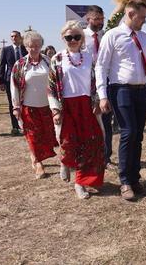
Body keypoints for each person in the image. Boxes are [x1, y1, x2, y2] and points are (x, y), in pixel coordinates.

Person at [96, 0, 146, 201]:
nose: (145, 21)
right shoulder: (112, 36)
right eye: (142, 17)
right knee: (128, 132)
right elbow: (101, 67)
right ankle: (124, 181)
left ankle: (134, 178)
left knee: (138, 135)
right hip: (121, 89)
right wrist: (102, 95)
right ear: (131, 14)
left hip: (142, 91)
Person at [49, 21, 106, 199]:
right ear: (63, 38)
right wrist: (55, 110)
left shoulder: (89, 57)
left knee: (90, 144)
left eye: (76, 36)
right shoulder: (57, 59)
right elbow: (50, 87)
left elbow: (98, 82)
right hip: (67, 106)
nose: (73, 40)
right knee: (68, 142)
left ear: (82, 38)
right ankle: (65, 162)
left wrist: (97, 100)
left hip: (87, 105)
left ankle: (80, 182)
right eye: (69, 37)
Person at [11, 31, 58, 180]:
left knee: (46, 136)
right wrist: (16, 107)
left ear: (41, 46)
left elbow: (56, 81)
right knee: (32, 136)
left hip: (47, 107)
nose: (34, 49)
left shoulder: (48, 61)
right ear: (25, 46)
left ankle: (34, 156)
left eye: (37, 46)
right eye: (30, 46)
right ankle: (38, 163)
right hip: (28, 107)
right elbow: (15, 86)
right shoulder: (19, 65)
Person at [83, 5, 115, 170]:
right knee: (90, 123)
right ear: (88, 19)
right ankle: (91, 156)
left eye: (102, 19)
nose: (100, 22)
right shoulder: (80, 37)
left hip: (106, 84)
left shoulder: (107, 36)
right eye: (96, 19)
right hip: (87, 86)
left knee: (106, 122)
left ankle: (106, 157)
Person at [0, 31, 28, 135]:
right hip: (9, 80)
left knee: (26, 102)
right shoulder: (6, 50)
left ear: (20, 37)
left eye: (16, 36)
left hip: (25, 79)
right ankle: (15, 127)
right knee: (13, 103)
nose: (14, 38)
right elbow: (2, 65)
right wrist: (1, 81)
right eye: (12, 36)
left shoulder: (25, 49)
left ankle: (26, 125)